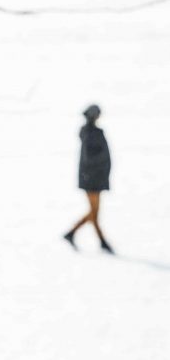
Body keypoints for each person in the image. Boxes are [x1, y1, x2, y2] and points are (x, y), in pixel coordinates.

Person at [64, 104, 113, 253]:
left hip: (95, 179)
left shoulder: (92, 132)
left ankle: (72, 234)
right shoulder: (90, 134)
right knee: (94, 212)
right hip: (92, 180)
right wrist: (101, 165)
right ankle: (101, 241)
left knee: (94, 212)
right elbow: (89, 158)